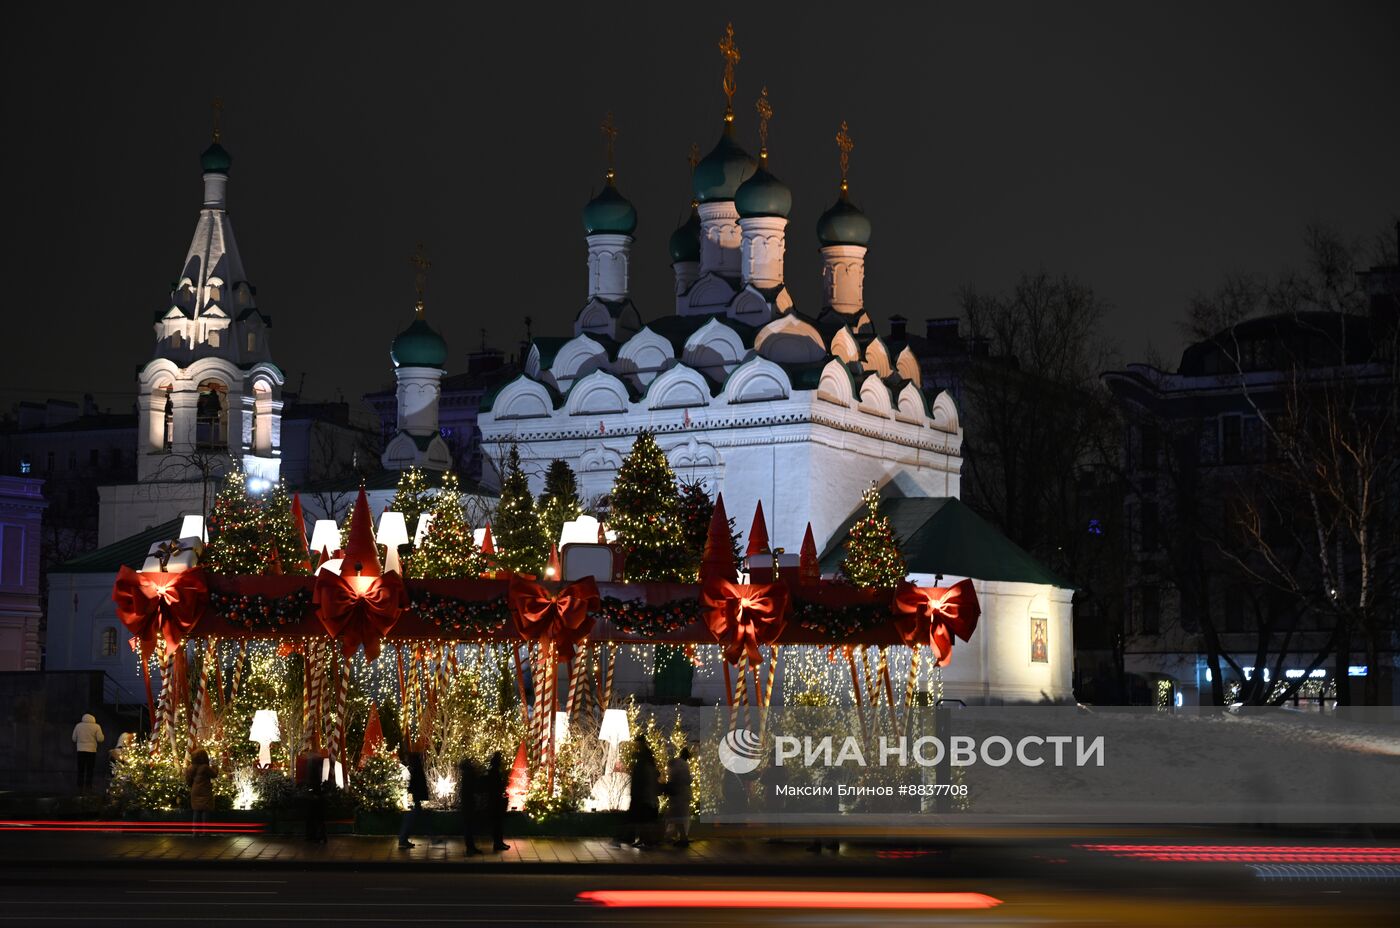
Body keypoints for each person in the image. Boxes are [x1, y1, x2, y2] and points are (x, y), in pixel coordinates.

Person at [620, 735, 659, 848]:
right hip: (641, 793)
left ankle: (646, 840)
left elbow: (644, 776)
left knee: (643, 818)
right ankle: (642, 839)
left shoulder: (644, 759)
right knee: (641, 818)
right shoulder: (645, 757)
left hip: (642, 793)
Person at [397, 744, 429, 849]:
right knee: (411, 819)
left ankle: (403, 839)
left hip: (416, 798)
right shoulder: (417, 769)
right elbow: (417, 785)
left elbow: (413, 785)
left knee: (416, 818)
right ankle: (403, 839)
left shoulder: (414, 769)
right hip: (417, 798)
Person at [664, 748, 693, 847]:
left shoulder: (676, 763)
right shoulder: (685, 765)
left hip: (677, 794)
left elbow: (671, 776)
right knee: (679, 817)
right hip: (683, 794)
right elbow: (688, 780)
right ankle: (681, 838)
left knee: (675, 817)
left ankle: (679, 838)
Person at [185, 749, 218, 835]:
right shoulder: (205, 767)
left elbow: (188, 781)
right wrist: (215, 766)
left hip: (195, 790)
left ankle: (195, 831)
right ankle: (205, 831)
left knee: (196, 810)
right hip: (205, 790)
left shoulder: (190, 768)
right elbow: (214, 774)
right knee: (205, 810)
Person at [483, 751, 510, 852]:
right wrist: (503, 783)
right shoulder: (495, 772)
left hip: (494, 800)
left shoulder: (493, 770)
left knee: (498, 824)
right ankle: (498, 843)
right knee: (498, 824)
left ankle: (499, 842)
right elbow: (496, 786)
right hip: (496, 801)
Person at [71, 713, 104, 792]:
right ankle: (88, 786)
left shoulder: (78, 726)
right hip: (91, 751)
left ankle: (80, 786)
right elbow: (100, 739)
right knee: (90, 769)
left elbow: (74, 738)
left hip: (80, 750)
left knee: (81, 769)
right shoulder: (96, 726)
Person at [458, 756, 482, 856]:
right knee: (469, 826)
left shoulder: (465, 775)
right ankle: (470, 847)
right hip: (469, 803)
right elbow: (473, 788)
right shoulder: (470, 774)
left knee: (468, 826)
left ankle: (471, 847)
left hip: (466, 803)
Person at [303, 751, 328, 844]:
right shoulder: (317, 764)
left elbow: (312, 779)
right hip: (316, 793)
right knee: (318, 816)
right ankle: (318, 836)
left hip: (315, 793)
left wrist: (312, 791)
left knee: (314, 816)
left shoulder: (312, 764)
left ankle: (314, 835)